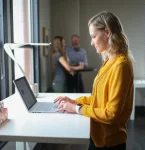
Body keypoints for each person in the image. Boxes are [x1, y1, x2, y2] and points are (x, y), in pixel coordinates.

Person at [54, 11, 134, 150]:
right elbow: (100, 99)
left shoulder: (121, 65)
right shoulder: (109, 62)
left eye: (93, 36)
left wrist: (78, 109)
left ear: (107, 32)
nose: (91, 42)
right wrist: (75, 101)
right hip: (98, 137)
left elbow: (111, 114)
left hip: (110, 143)